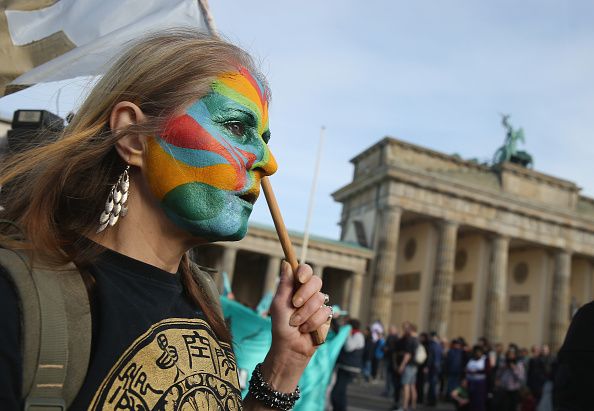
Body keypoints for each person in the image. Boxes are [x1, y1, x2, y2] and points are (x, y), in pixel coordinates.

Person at [0, 30, 332, 410]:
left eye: (263, 137)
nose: (268, 161)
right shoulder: (15, 303)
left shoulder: (204, 302)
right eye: (237, 127)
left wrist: (285, 364)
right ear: (132, 136)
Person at [331, 319, 365, 411]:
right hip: (344, 366)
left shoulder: (358, 335)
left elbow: (348, 347)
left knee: (338, 392)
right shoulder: (355, 334)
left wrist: (347, 334)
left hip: (350, 368)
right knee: (338, 391)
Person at [393, 322, 418, 411]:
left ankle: (404, 407)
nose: (404, 330)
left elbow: (408, 354)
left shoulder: (410, 340)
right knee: (412, 386)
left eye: (405, 328)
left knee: (405, 386)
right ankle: (413, 406)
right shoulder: (416, 339)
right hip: (414, 366)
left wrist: (402, 365)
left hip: (408, 366)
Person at [466, 345, 489, 411]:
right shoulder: (471, 359)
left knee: (479, 401)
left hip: (480, 384)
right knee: (471, 400)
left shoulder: (485, 359)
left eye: (479, 352)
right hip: (470, 382)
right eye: (476, 352)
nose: (477, 353)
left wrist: (477, 371)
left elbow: (487, 371)